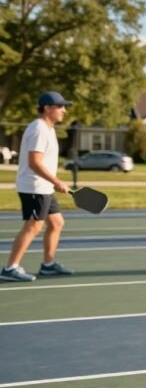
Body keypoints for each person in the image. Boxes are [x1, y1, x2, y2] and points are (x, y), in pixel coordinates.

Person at [1, 92, 75, 282]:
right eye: (60, 106)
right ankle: (10, 268)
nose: (64, 110)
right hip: (34, 187)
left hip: (44, 188)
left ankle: (48, 265)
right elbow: (34, 162)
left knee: (57, 223)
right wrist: (56, 181)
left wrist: (52, 182)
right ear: (47, 108)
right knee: (33, 226)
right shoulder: (39, 129)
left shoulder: (48, 129)